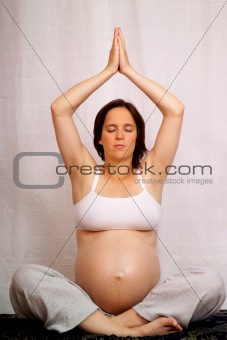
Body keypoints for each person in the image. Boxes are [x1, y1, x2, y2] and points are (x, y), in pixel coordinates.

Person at [9, 28, 225, 337]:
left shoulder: (152, 172)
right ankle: (127, 329)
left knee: (212, 282)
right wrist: (108, 71)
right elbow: (60, 109)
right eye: (111, 129)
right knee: (25, 279)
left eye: (128, 128)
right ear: (99, 136)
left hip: (147, 302)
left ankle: (114, 324)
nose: (120, 135)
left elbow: (174, 110)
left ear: (138, 136)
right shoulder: (84, 173)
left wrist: (130, 72)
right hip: (87, 300)